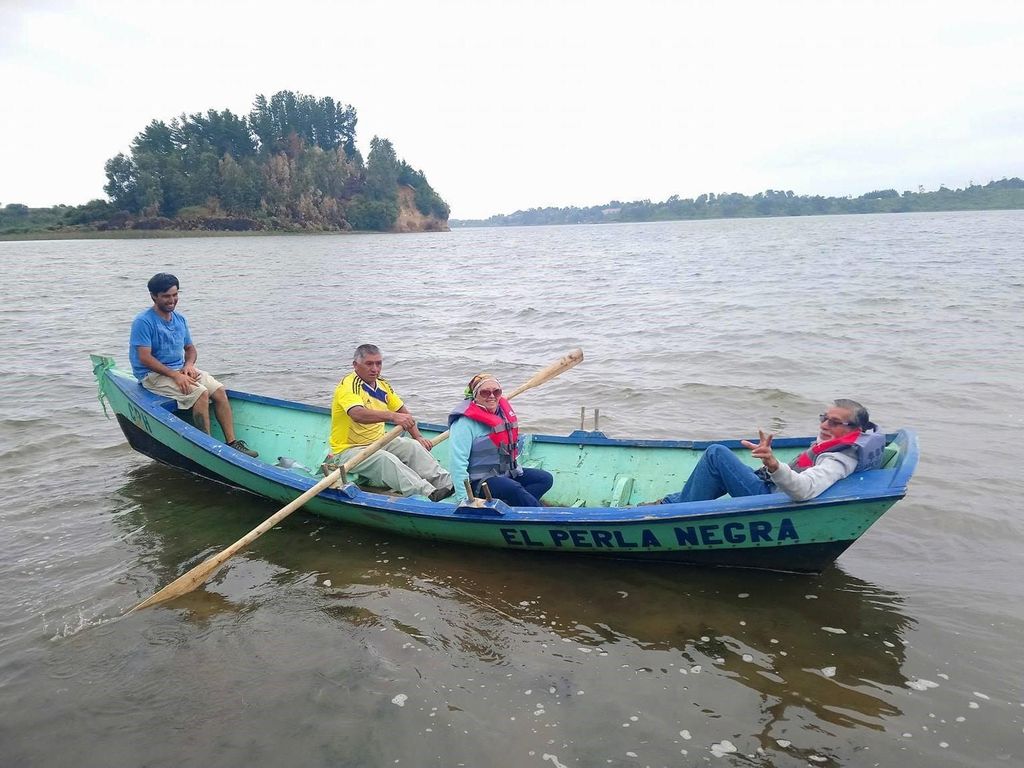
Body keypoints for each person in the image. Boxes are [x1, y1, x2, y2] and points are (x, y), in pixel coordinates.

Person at [647, 399, 885, 504]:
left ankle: (678, 508)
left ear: (856, 429)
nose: (824, 425)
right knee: (720, 468)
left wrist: (773, 465)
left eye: (834, 422)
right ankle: (669, 501)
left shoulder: (838, 458)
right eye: (824, 418)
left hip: (768, 497)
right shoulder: (843, 440)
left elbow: (804, 490)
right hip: (771, 485)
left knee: (716, 454)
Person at [128, 272, 258, 457]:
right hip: (153, 374)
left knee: (219, 390)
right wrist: (175, 376)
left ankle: (232, 442)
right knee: (200, 393)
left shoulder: (179, 319)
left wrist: (188, 365)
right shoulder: (143, 321)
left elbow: (190, 349)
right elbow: (145, 358)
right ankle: (208, 447)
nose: (172, 300)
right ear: (153, 296)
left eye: (175, 295)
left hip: (179, 369)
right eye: (166, 296)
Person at [326, 344, 454, 501]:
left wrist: (418, 437)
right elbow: (357, 414)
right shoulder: (348, 386)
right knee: (385, 459)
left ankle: (448, 484)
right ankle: (427, 492)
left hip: (379, 441)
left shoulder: (382, 384)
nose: (375, 369)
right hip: (348, 450)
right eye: (369, 364)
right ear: (355, 365)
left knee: (412, 446)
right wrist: (392, 417)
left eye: (378, 363)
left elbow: (403, 412)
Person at [447, 373, 554, 507]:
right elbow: (457, 464)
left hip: (505, 473)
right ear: (475, 395)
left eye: (496, 392)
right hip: (480, 481)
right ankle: (538, 516)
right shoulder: (463, 424)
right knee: (513, 489)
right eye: (485, 392)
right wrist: (464, 499)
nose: (492, 396)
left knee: (544, 479)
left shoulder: (502, 414)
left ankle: (513, 507)